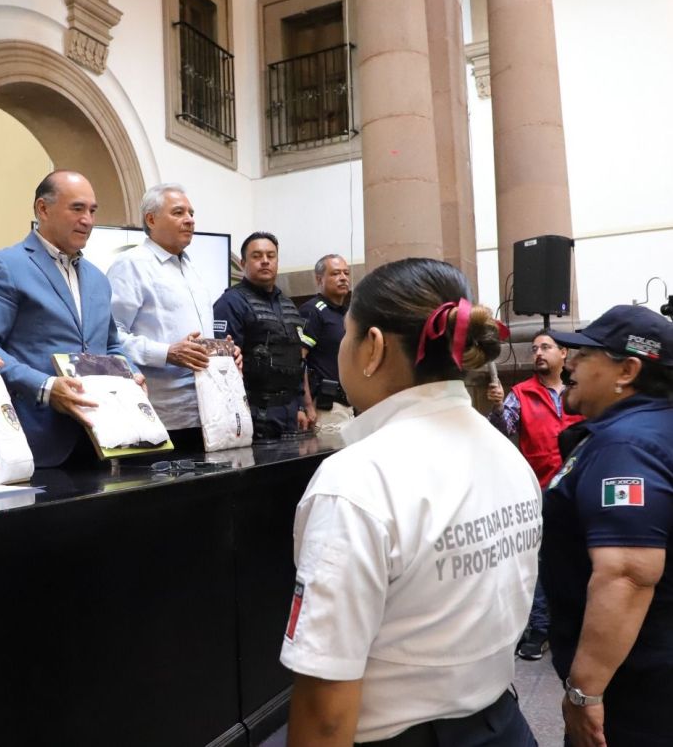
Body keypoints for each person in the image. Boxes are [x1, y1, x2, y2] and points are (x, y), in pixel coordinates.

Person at [280, 258, 540, 746]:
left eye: (347, 335)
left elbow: (326, 715)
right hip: (503, 726)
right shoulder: (507, 453)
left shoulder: (357, 480)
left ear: (373, 347)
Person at [541, 305, 673, 747]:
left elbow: (627, 574)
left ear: (627, 371)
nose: (570, 364)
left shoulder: (626, 447)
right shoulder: (650, 429)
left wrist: (585, 691)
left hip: (638, 691)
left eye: (585, 355)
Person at [0, 170, 137, 468]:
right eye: (77, 208)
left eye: (92, 210)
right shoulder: (5, 266)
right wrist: (44, 387)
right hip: (34, 441)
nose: (88, 220)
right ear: (43, 209)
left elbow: (110, 345)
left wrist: (130, 374)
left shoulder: (98, 279)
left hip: (99, 440)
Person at [487, 331, 584, 660]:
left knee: (579, 556)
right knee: (539, 560)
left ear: (564, 353)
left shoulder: (578, 390)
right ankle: (540, 629)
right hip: (540, 488)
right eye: (534, 349)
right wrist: (497, 407)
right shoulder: (521, 393)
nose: (538, 353)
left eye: (545, 347)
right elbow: (502, 431)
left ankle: (578, 626)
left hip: (578, 486)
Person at [107, 183, 216, 450]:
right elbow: (110, 337)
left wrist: (223, 352)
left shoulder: (192, 269)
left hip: (206, 413)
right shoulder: (131, 264)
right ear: (151, 219)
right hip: (159, 416)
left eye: (191, 213)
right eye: (178, 212)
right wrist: (166, 353)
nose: (189, 220)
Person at [214, 232, 309, 440]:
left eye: (271, 256)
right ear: (243, 263)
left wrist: (300, 406)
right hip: (252, 412)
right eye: (257, 256)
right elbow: (223, 365)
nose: (265, 261)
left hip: (289, 413)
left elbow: (296, 359)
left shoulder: (288, 304)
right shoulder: (230, 303)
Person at [300, 254, 353, 433]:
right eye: (336, 273)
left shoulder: (346, 313)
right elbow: (299, 360)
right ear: (319, 279)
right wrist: (306, 405)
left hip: (348, 404)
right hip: (325, 407)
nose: (343, 278)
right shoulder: (313, 310)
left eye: (346, 273)